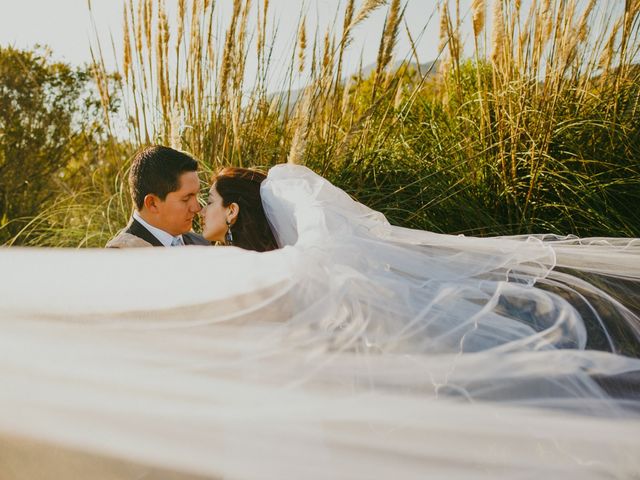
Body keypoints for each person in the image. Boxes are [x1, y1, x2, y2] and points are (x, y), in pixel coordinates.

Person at [1, 163, 640, 478]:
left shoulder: (250, 266)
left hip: (264, 417)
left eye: (209, 201)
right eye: (192, 200)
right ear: (152, 201)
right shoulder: (143, 258)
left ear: (237, 212)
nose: (201, 212)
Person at [106, 145, 210, 248]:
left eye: (197, 195)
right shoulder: (122, 255)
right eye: (186, 199)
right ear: (152, 203)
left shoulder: (202, 243)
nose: (197, 208)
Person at [200, 167, 278, 252]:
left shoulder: (232, 262)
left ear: (232, 211)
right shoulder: (272, 257)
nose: (202, 212)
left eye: (209, 202)